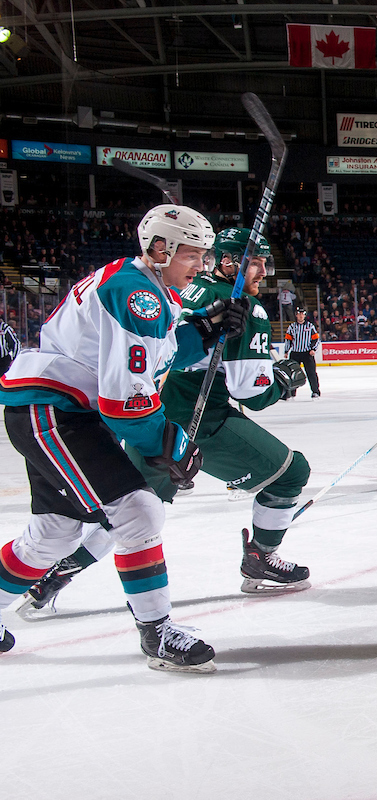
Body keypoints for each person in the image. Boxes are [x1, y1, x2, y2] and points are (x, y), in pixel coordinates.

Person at [0, 204, 248, 672]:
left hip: (51, 408)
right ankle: (156, 634)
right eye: (193, 255)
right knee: (138, 510)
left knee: (53, 534)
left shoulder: (145, 287)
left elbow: (157, 353)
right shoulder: (138, 296)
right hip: (53, 411)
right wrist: (167, 442)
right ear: (160, 249)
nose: (202, 265)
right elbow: (126, 403)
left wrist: (204, 329)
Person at [18, 228, 313, 615]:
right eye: (255, 262)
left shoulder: (181, 292)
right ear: (229, 263)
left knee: (132, 503)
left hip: (155, 416)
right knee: (292, 473)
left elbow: (162, 352)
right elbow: (250, 393)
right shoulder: (245, 307)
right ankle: (261, 557)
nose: (262, 271)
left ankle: (54, 575)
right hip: (203, 421)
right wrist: (283, 382)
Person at [286, 307, 321, 398]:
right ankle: (291, 392)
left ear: (305, 315)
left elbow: (316, 339)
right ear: (296, 315)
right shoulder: (292, 327)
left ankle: (315, 391)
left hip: (307, 353)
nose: (301, 316)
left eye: (302, 314)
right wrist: (286, 351)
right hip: (295, 353)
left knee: (311, 373)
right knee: (292, 373)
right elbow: (288, 339)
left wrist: (313, 349)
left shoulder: (310, 326)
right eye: (299, 314)